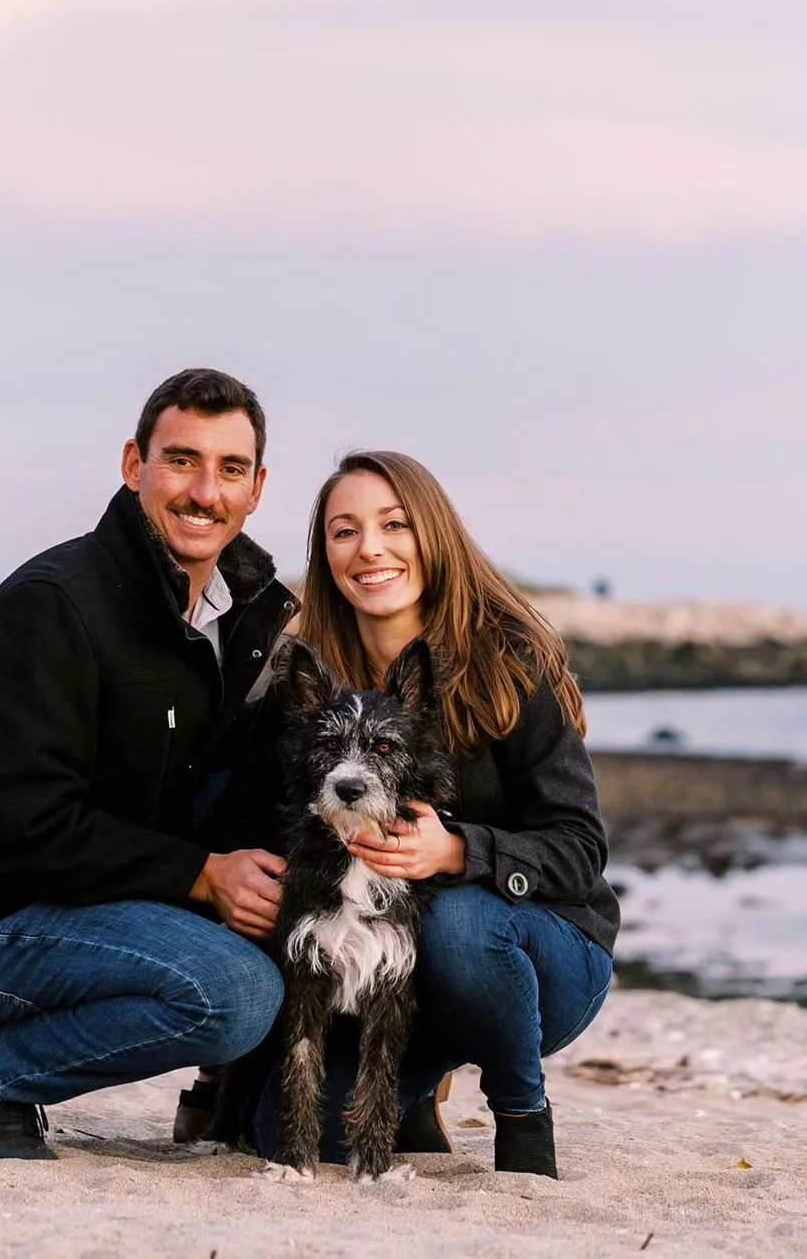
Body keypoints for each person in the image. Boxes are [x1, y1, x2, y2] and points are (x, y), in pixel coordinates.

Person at [0, 368, 298, 1160]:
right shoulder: (53, 605)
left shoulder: (237, 613)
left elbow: (216, 788)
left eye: (229, 470)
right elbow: (21, 827)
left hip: (109, 901)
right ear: (133, 465)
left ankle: (230, 1096)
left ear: (256, 490)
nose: (203, 492)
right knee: (233, 993)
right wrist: (202, 875)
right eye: (181, 460)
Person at [215, 450, 619, 1177]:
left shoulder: (507, 668)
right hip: (376, 975)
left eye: (392, 524)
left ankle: (522, 1115)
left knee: (456, 923)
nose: (369, 548)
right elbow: (249, 823)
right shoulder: (305, 689)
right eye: (343, 531)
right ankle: (416, 1087)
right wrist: (232, 872)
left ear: (431, 534)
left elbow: (579, 845)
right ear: (326, 553)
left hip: (533, 960)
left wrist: (458, 851)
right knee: (288, 1139)